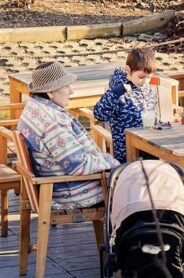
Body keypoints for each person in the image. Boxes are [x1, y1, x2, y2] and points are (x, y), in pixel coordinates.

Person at [17, 61, 119, 210]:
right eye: (66, 86)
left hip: (60, 185)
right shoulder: (50, 122)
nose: (71, 91)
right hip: (74, 193)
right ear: (50, 93)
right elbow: (77, 164)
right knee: (139, 185)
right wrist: (111, 162)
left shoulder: (35, 109)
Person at [93, 47, 159, 163]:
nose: (145, 82)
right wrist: (116, 93)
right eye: (141, 77)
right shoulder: (118, 90)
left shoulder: (149, 91)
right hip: (127, 153)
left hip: (150, 149)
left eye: (149, 77)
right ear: (128, 70)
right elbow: (99, 114)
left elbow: (154, 118)